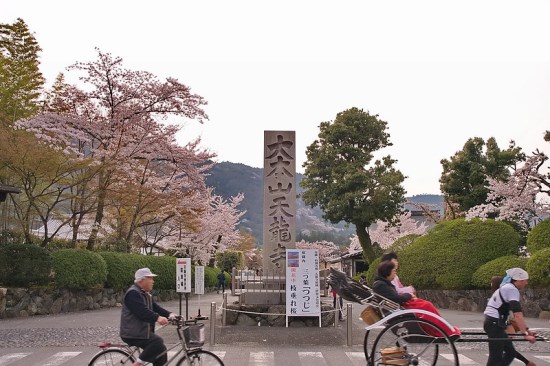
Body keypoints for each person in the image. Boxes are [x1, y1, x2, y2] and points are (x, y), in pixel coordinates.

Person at [372, 260, 461, 338]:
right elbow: (397, 298)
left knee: (426, 304)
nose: (395, 274)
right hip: (398, 308)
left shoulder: (382, 283)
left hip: (398, 307)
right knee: (427, 305)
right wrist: (409, 295)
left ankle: (444, 329)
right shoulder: (381, 285)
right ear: (387, 272)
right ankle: (443, 331)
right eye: (394, 271)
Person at [120, 268, 175, 366]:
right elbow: (142, 312)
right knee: (157, 342)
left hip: (141, 331)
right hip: (132, 333)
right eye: (150, 278)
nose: (153, 281)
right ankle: (137, 364)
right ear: (142, 280)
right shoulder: (133, 293)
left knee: (161, 350)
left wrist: (170, 314)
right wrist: (158, 318)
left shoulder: (145, 294)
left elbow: (155, 307)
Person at [484, 268, 537, 366]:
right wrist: (525, 334)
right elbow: (517, 314)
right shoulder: (511, 289)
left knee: (511, 353)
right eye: (525, 280)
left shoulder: (508, 287)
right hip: (494, 323)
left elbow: (516, 315)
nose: (526, 283)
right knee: (495, 358)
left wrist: (527, 330)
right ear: (519, 280)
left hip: (494, 323)